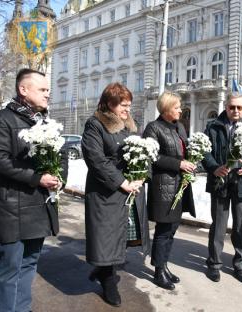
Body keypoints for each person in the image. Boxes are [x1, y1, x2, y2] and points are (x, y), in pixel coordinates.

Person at [0, 68, 68, 312]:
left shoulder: (44, 121)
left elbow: (60, 156)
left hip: (38, 206)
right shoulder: (4, 119)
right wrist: (36, 178)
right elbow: (1, 160)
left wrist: (59, 178)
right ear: (23, 89)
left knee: (30, 264)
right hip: (12, 208)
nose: (48, 94)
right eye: (43, 89)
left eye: (48, 90)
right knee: (10, 270)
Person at [82, 83, 150, 307]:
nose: (127, 110)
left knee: (120, 236)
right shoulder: (95, 124)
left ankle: (103, 270)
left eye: (129, 105)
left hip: (128, 190)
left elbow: (144, 151)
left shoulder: (130, 125)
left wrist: (142, 174)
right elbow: (96, 160)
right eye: (123, 105)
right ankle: (108, 280)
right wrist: (122, 182)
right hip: (106, 192)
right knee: (107, 236)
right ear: (110, 104)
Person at [202, 92, 242, 283]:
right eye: (232, 107)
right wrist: (214, 168)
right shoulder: (213, 126)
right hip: (219, 183)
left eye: (239, 107)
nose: (235, 111)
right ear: (226, 107)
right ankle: (214, 263)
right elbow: (205, 151)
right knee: (218, 226)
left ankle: (240, 264)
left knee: (240, 226)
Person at [143, 91, 196, 290]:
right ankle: (158, 271)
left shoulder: (179, 127)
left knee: (172, 229)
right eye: (177, 107)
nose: (180, 110)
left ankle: (163, 266)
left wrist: (192, 160)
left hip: (180, 186)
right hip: (164, 187)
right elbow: (153, 157)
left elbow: (184, 151)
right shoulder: (153, 128)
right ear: (166, 109)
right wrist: (179, 164)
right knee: (164, 231)